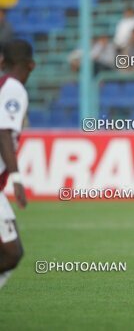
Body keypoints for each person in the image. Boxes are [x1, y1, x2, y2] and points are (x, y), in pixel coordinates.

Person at [0, 39, 35, 290]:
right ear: (31, 65)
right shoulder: (14, 88)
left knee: (12, 253)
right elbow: (3, 132)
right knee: (12, 253)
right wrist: (17, 179)